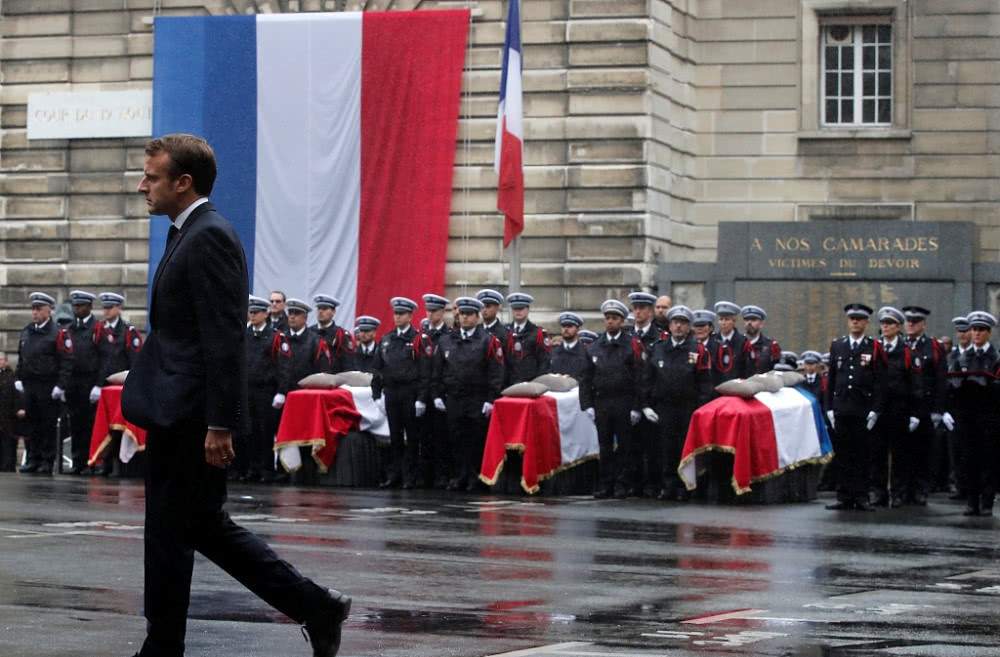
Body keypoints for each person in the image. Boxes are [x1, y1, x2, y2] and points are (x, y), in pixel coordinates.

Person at [123, 134, 349, 657]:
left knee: (176, 531)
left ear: (184, 183)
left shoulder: (209, 237)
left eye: (151, 177)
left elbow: (224, 339)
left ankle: (167, 645)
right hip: (176, 410)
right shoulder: (187, 232)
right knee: (189, 529)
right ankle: (314, 606)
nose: (142, 186)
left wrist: (219, 423)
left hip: (191, 417)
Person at [430, 297, 504, 492]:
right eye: (462, 314)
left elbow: (496, 373)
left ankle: (474, 476)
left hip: (476, 398)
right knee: (455, 438)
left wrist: (490, 399)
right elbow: (437, 370)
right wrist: (436, 394)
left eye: (469, 314)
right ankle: (458, 475)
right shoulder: (447, 340)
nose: (465, 318)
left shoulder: (488, 341)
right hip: (453, 397)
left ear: (477, 317)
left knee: (475, 439)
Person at [643, 305, 714, 501]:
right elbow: (647, 379)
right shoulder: (658, 348)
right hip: (664, 407)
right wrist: (646, 405)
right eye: (675, 322)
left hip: (687, 408)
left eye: (683, 323)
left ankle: (685, 488)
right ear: (670, 325)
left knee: (685, 449)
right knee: (666, 449)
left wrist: (699, 409)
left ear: (688, 326)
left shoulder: (698, 350)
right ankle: (668, 486)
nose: (679, 327)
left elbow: (705, 383)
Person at [579, 299, 645, 499]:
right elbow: (585, 377)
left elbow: (640, 378)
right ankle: (605, 484)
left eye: (615, 318)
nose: (610, 322)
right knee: (604, 446)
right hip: (602, 402)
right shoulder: (595, 346)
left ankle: (622, 484)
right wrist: (587, 404)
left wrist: (637, 406)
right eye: (608, 318)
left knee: (625, 447)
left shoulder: (632, 345)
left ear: (622, 321)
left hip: (624, 402)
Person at [825, 303, 883, 512]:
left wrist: (875, 409)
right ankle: (844, 495)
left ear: (866, 322)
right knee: (843, 454)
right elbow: (831, 378)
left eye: (859, 319)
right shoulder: (838, 345)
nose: (855, 322)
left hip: (862, 408)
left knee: (862, 454)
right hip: (842, 407)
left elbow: (879, 381)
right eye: (852, 319)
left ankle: (861, 496)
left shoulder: (874, 346)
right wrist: (829, 407)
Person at [372, 298, 429, 489]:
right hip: (392, 392)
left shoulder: (418, 339)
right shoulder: (387, 339)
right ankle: (394, 474)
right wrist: (377, 394)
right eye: (395, 313)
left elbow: (424, 371)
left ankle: (409, 476)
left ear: (410, 316)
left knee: (412, 437)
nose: (397, 317)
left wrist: (421, 398)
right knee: (394, 436)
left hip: (410, 392)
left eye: (401, 313)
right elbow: (378, 369)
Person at [947, 311, 1000, 516]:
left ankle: (986, 502)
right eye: (974, 330)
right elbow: (951, 384)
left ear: (988, 333)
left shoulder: (995, 357)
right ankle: (971, 501)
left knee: (988, 460)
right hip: (966, 416)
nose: (976, 334)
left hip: (989, 417)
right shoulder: (962, 357)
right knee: (968, 460)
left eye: (981, 330)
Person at [15, 292, 73, 475]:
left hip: (48, 385)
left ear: (49, 311)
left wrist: (60, 385)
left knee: (47, 424)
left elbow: (66, 361)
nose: (35, 313)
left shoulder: (58, 333)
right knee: (30, 424)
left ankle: (47, 460)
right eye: (33, 309)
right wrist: (18, 378)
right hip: (30, 384)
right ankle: (33, 458)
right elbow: (21, 358)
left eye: (39, 309)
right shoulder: (27, 331)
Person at [869, 307, 916, 508]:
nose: (885, 327)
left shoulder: (906, 351)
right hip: (878, 409)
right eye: (883, 323)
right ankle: (878, 493)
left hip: (899, 408)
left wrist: (914, 412)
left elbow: (914, 382)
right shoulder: (873, 348)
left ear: (898, 327)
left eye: (890, 324)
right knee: (877, 453)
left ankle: (898, 493)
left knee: (900, 454)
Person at [902, 305, 946, 504]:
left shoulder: (934, 346)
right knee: (904, 450)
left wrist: (938, 409)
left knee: (922, 450)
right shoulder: (900, 344)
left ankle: (920, 489)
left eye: (915, 322)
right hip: (903, 407)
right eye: (908, 321)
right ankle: (903, 490)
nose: (910, 325)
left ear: (923, 324)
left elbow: (940, 379)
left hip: (925, 407)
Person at [242, 295, 285, 484]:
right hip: (247, 389)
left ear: (265, 314)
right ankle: (252, 467)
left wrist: (281, 391)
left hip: (265, 390)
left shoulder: (275, 337)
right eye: (250, 312)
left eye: (256, 312)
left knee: (265, 432)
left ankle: (267, 469)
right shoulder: (244, 335)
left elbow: (282, 366)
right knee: (248, 432)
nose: (252, 315)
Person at [627, 292, 661, 497]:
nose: (638, 312)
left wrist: (646, 404)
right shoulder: (627, 336)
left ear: (650, 311)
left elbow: (657, 374)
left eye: (642, 308)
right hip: (629, 399)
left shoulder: (659, 337)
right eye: (635, 308)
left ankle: (652, 484)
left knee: (652, 446)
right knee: (631, 446)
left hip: (650, 400)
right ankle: (633, 483)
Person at [65, 290, 102, 475]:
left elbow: (104, 358)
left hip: (89, 381)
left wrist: (99, 384)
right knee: (75, 424)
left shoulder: (98, 328)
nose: (76, 309)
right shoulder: (71, 329)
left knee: (90, 425)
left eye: (80, 306)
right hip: (73, 382)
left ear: (89, 307)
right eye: (75, 306)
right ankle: (77, 462)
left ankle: (91, 462)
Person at [421, 293, 452, 488]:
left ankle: (442, 476)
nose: (431, 314)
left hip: (441, 393)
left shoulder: (449, 336)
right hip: (423, 393)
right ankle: (425, 476)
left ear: (442, 312)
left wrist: (440, 394)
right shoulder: (421, 336)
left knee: (442, 438)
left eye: (434, 311)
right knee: (424, 437)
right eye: (428, 311)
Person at [279, 298, 333, 394]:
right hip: (282, 392)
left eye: (296, 314)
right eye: (290, 313)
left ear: (305, 317)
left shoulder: (316, 341)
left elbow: (323, 372)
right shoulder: (280, 338)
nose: (292, 317)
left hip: (306, 392)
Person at [944, 316, 972, 500]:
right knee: (956, 450)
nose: (962, 335)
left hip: (972, 408)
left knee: (973, 450)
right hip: (954, 410)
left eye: (965, 331)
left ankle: (973, 487)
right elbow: (944, 383)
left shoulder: (976, 354)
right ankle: (958, 485)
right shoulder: (951, 356)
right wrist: (945, 410)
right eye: (959, 332)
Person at [504, 292, 550, 384]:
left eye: (521, 308)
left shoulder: (538, 333)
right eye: (515, 308)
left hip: (530, 383)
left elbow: (544, 362)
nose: (518, 311)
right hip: (508, 383)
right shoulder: (505, 331)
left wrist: (537, 384)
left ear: (528, 309)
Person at [311, 294, 355, 373]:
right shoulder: (310, 332)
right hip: (310, 380)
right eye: (319, 308)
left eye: (324, 308)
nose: (320, 311)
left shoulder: (341, 334)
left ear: (333, 312)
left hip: (333, 380)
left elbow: (348, 364)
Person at [712, 301, 746, 383]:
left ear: (734, 321)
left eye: (727, 319)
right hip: (715, 388)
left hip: (736, 387)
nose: (723, 323)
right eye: (721, 319)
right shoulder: (712, 340)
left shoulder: (743, 342)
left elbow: (746, 368)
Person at [741, 305, 780, 375]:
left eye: (753, 320)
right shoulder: (738, 343)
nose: (749, 323)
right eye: (746, 320)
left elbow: (777, 370)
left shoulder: (771, 345)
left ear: (761, 324)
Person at [0, 354, 23, 472]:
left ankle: (8, 466)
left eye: (1, 360)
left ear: (6, 362)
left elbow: (18, 395)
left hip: (8, 416)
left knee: (8, 443)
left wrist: (18, 409)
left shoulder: (12, 376)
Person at [549, 312, 588, 380]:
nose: (566, 329)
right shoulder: (553, 352)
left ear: (578, 329)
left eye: (570, 326)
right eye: (564, 326)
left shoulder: (586, 353)